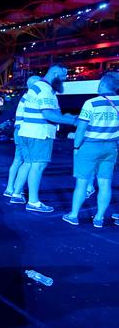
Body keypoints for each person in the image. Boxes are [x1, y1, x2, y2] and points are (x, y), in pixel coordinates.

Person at [11, 64, 78, 212]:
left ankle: (16, 193)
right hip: (39, 134)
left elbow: (53, 114)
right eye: (63, 76)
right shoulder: (45, 89)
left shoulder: (39, 88)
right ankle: (33, 202)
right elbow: (48, 115)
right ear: (54, 73)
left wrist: (67, 117)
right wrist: (74, 121)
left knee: (28, 163)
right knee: (38, 166)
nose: (65, 79)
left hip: (27, 132)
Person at [62, 71, 119, 228]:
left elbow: (81, 129)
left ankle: (73, 215)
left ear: (102, 85)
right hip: (111, 146)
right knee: (105, 182)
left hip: (90, 146)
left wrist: (76, 147)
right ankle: (99, 218)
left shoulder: (91, 103)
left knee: (82, 182)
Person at [4, 76, 41, 197]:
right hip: (24, 132)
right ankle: (15, 190)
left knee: (18, 160)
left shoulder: (25, 97)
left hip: (19, 131)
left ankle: (11, 188)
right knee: (26, 162)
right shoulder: (31, 97)